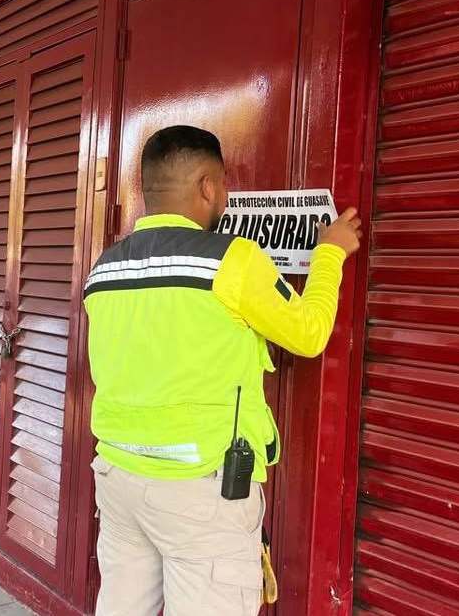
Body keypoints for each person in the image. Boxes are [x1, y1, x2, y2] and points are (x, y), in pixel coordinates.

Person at [84, 125, 362, 616]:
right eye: (225, 185)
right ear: (207, 186)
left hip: (118, 475)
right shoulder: (231, 260)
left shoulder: (104, 269)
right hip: (199, 487)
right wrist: (331, 253)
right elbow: (309, 333)